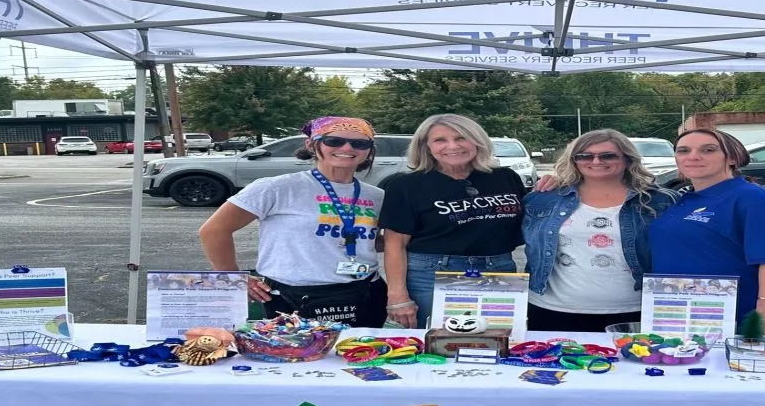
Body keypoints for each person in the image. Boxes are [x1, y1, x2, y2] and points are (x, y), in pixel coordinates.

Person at [198, 116, 387, 327]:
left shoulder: (376, 196)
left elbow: (371, 241)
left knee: (364, 348)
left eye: (359, 143)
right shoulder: (277, 188)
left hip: (365, 292)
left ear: (369, 150)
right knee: (299, 350)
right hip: (295, 296)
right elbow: (214, 231)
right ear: (312, 144)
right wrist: (234, 278)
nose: (347, 147)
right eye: (334, 141)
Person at [379, 114, 527, 328]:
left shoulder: (505, 177)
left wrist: (556, 181)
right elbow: (395, 244)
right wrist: (397, 296)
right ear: (426, 146)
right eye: (440, 140)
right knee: (437, 343)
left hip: (499, 269)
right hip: (431, 275)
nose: (453, 146)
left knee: (497, 340)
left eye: (461, 138)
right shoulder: (405, 186)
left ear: (477, 141)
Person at [522, 129, 676, 332]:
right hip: (552, 308)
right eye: (585, 156)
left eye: (608, 155)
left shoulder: (660, 201)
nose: (596, 161)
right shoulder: (543, 198)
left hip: (635, 309)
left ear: (627, 159)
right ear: (574, 160)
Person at [648, 128, 765, 336]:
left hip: (734, 319)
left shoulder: (755, 199)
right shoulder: (685, 199)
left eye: (708, 150)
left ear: (732, 157)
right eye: (683, 151)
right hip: (677, 314)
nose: (693, 157)